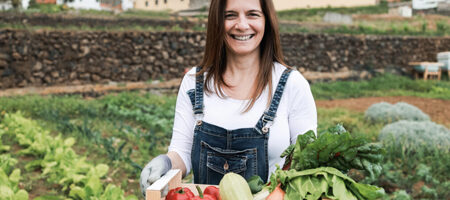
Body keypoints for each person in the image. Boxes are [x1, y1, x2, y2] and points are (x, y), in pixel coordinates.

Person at [139, 0, 317, 196]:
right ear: (217, 21)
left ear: (267, 21)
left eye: (252, 14)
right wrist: (166, 162)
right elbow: (182, 152)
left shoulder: (292, 85)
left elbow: (306, 164)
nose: (241, 25)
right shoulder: (194, 82)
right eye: (230, 15)